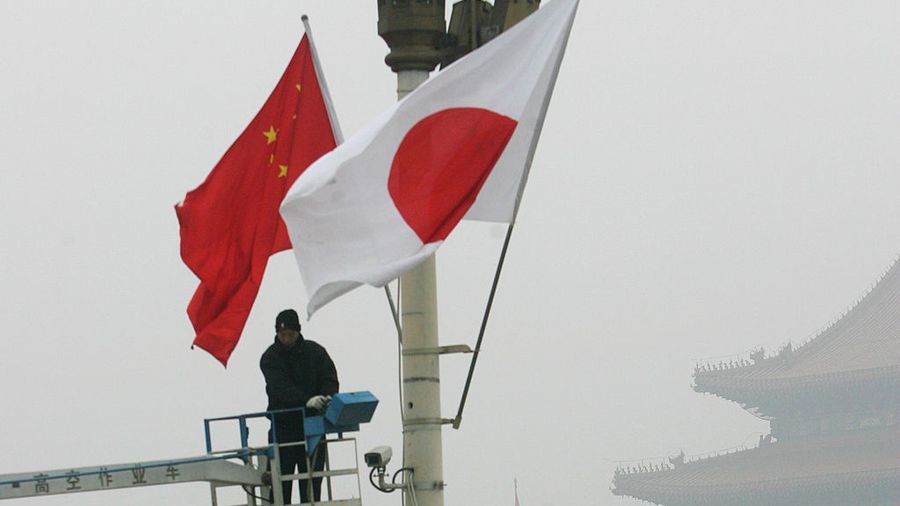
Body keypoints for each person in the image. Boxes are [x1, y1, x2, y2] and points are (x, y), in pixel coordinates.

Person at [260, 309, 339, 504]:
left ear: (298, 332)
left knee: (312, 484)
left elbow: (329, 377)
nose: (286, 338)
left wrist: (327, 397)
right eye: (283, 334)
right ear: (277, 333)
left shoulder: (316, 352)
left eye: (290, 334)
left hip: (313, 426)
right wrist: (307, 400)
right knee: (280, 485)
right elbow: (280, 388)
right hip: (283, 429)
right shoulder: (270, 358)